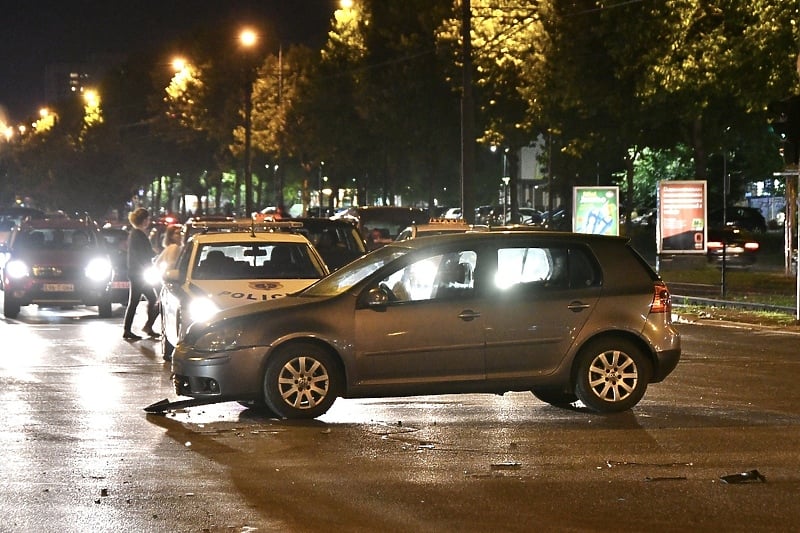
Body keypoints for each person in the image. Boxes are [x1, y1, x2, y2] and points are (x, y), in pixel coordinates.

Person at [123, 208, 160, 341]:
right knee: (149, 300)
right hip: (139, 273)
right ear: (144, 220)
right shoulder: (138, 234)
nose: (149, 221)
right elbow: (145, 253)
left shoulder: (135, 233)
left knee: (141, 300)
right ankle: (138, 328)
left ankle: (139, 328)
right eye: (148, 219)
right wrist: (155, 254)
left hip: (136, 272)